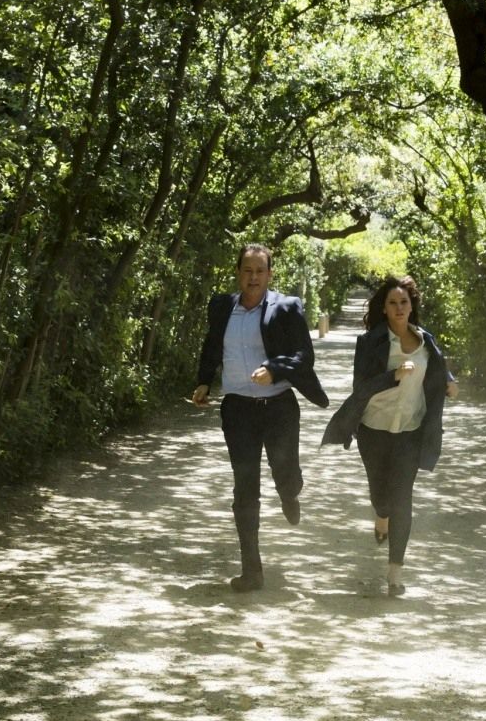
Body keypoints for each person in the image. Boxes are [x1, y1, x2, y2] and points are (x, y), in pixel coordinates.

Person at [193, 243, 328, 592]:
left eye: (259, 271)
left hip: (279, 407)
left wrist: (274, 369)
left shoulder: (286, 307)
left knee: (286, 473)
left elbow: (304, 356)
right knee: (245, 487)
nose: (253, 277)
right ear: (238, 273)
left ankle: (289, 493)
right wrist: (204, 380)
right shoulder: (222, 307)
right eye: (247, 270)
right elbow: (212, 344)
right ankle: (252, 570)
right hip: (238, 409)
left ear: (269, 274)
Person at [322, 275, 458, 596]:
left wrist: (449, 381)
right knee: (380, 497)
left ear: (412, 306)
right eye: (393, 303)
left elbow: (438, 364)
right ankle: (380, 515)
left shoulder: (425, 340)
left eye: (404, 302)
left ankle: (395, 571)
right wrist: (392, 376)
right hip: (374, 429)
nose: (399, 308)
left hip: (411, 430)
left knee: (402, 497)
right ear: (383, 308)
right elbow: (361, 388)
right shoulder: (370, 342)